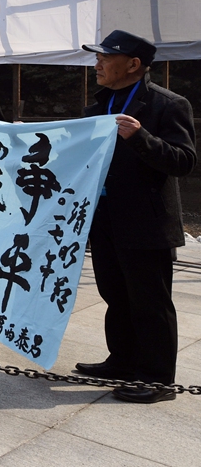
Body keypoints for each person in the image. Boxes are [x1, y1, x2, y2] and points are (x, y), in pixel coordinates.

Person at [73, 30, 196, 404]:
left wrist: (141, 138)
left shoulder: (168, 105)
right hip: (106, 218)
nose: (97, 64)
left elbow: (184, 161)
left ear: (132, 64)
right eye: (96, 57)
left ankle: (157, 378)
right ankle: (123, 361)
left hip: (146, 222)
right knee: (115, 293)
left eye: (105, 57)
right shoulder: (98, 106)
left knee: (150, 301)